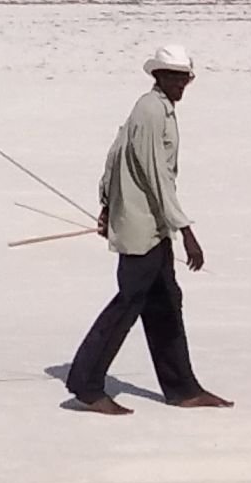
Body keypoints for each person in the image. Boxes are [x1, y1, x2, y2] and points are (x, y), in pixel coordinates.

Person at [62, 43, 231, 413]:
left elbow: (115, 154)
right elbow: (158, 178)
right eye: (175, 77)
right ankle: (86, 386)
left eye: (186, 78)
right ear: (159, 76)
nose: (181, 84)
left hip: (151, 226)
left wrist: (107, 205)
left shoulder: (155, 109)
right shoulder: (151, 112)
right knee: (128, 303)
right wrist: (186, 231)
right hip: (142, 229)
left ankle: (182, 389)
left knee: (166, 303)